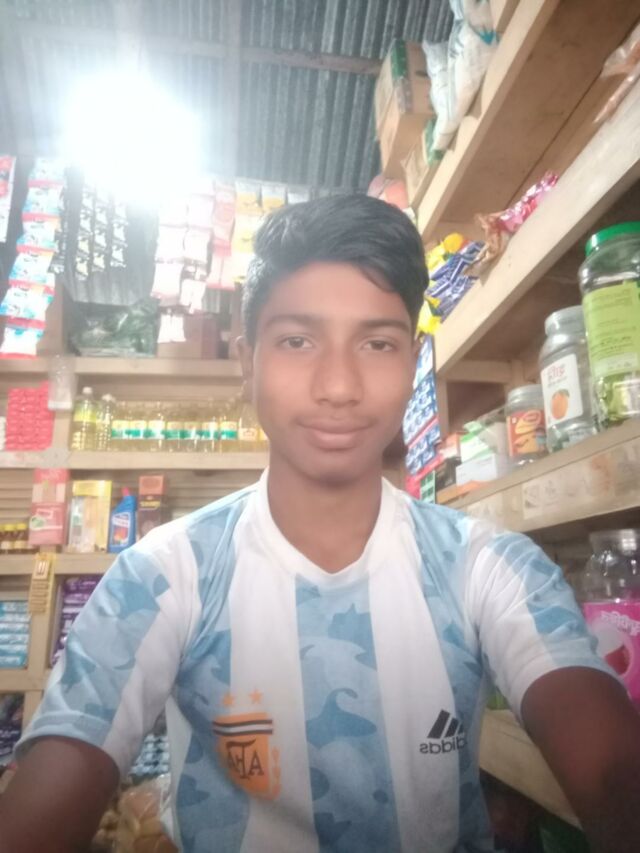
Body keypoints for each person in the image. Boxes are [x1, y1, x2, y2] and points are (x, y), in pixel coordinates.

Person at [1, 196, 639, 853]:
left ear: (413, 360)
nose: (339, 385)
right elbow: (55, 783)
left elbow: (611, 771)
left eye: (377, 343)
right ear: (247, 361)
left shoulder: (490, 567)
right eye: (298, 341)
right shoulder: (163, 576)